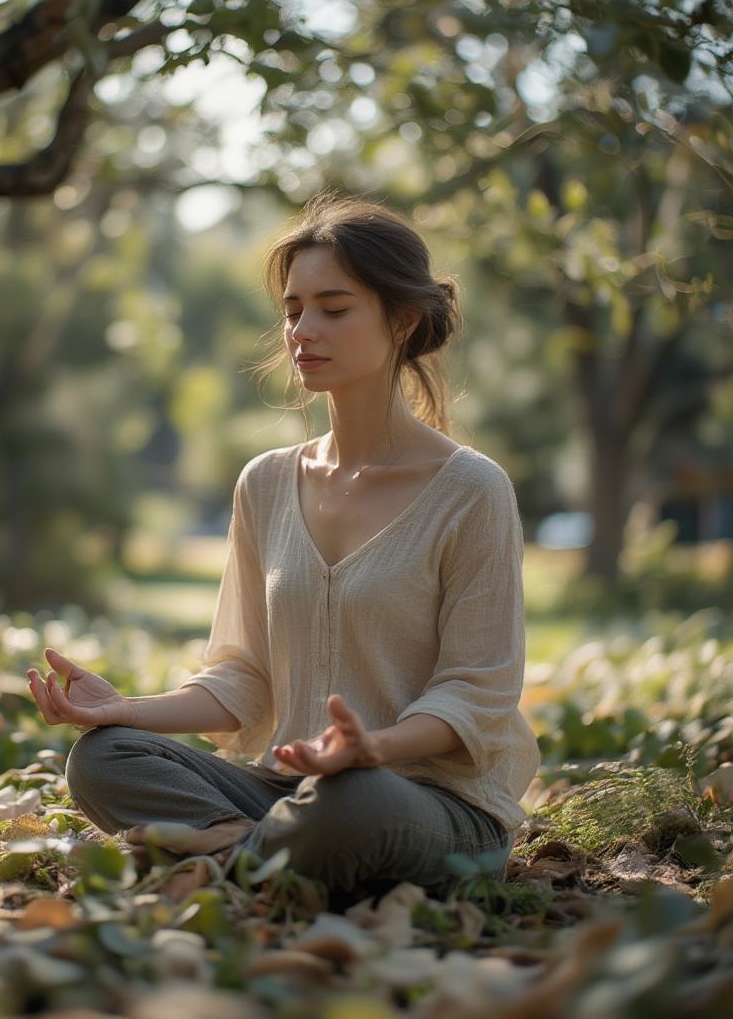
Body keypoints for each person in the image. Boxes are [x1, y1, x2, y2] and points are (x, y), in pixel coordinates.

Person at [27, 193, 541, 912]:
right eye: (294, 308)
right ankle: (257, 855)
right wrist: (125, 709)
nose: (303, 329)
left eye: (334, 307)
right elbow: (242, 680)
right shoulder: (265, 483)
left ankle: (219, 855)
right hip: (286, 793)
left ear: (403, 319)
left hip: (426, 804)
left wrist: (372, 751)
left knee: (353, 802)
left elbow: (477, 695)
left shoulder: (471, 491)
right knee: (103, 760)